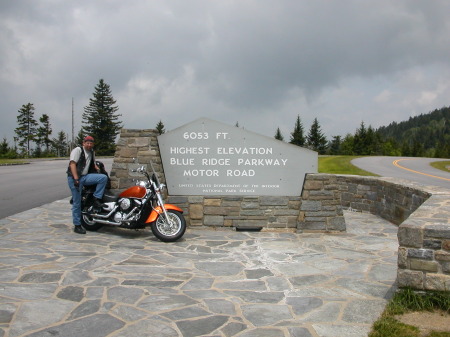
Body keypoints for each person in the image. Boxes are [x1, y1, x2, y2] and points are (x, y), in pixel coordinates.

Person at [67, 136, 107, 234]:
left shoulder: (92, 152)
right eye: (87, 143)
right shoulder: (78, 150)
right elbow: (72, 164)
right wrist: (76, 179)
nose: (89, 145)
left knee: (103, 178)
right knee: (77, 202)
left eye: (91, 143)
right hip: (75, 177)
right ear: (83, 143)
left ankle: (96, 198)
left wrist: (98, 168)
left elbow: (93, 164)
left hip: (85, 176)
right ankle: (77, 225)